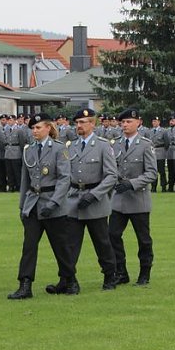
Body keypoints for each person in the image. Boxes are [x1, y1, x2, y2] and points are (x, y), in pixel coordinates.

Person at [9, 113, 74, 300]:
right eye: (32, 128)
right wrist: (22, 207)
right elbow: (25, 180)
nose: (34, 131)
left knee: (60, 246)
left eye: (38, 127)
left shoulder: (59, 148)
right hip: (33, 204)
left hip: (53, 204)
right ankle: (25, 285)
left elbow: (64, 178)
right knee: (29, 247)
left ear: (48, 128)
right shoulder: (28, 149)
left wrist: (54, 202)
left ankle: (70, 280)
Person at [60, 108, 118, 293]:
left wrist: (94, 195)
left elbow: (111, 175)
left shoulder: (103, 145)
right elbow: (65, 174)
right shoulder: (70, 146)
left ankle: (110, 276)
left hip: (95, 201)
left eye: (82, 122)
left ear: (92, 124)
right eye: (77, 123)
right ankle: (68, 280)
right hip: (74, 200)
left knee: (102, 242)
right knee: (70, 244)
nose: (79, 126)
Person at [110, 109, 158, 286]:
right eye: (123, 122)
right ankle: (121, 272)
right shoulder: (115, 144)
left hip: (138, 199)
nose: (125, 125)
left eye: (129, 121)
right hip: (119, 199)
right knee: (112, 235)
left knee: (143, 239)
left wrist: (132, 183)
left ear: (139, 122)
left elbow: (152, 173)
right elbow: (111, 168)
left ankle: (145, 273)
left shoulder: (145, 145)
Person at [148, 116, 169, 192]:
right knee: (153, 171)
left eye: (156, 121)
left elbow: (167, 142)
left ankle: (163, 186)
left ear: (159, 122)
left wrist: (164, 150)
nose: (154, 123)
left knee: (162, 171)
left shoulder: (163, 131)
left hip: (161, 151)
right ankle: (153, 187)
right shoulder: (150, 131)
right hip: (152, 152)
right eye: (153, 121)